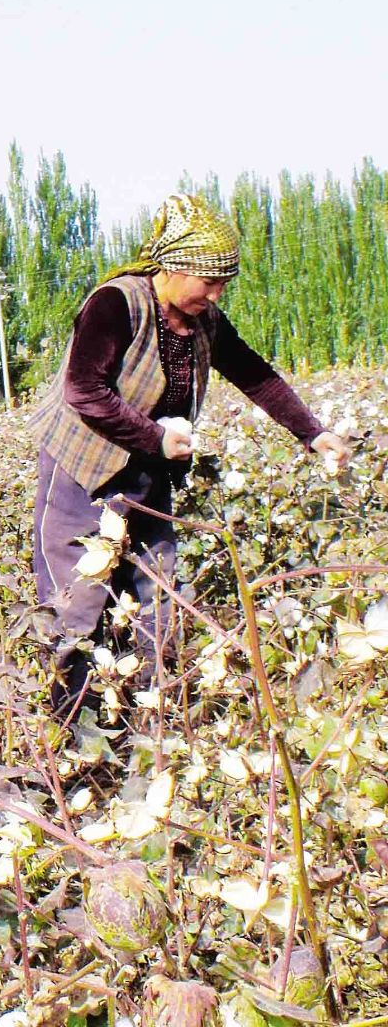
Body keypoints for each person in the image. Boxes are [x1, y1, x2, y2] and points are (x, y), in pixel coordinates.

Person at [29, 193, 352, 701]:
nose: (217, 294)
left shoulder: (204, 321)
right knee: (75, 598)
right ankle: (70, 722)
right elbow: (83, 391)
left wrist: (313, 432)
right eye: (210, 282)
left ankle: (152, 713)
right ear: (175, 268)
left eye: (224, 283)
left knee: (158, 594)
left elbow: (255, 376)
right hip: (82, 470)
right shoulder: (116, 303)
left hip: (149, 473)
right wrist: (157, 437)